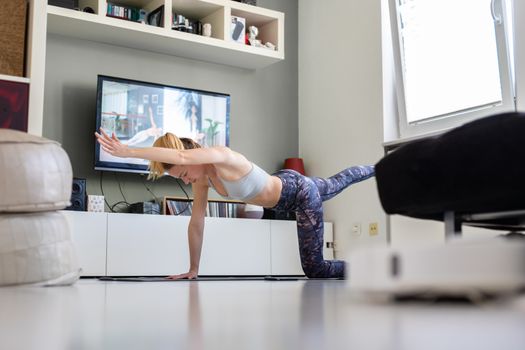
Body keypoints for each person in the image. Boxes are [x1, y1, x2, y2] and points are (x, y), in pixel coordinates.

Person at [95, 129, 375, 279]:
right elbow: (196, 223)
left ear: (189, 156)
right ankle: (378, 167)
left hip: (298, 193)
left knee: (315, 269)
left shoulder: (222, 156)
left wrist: (128, 151)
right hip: (287, 186)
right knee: (338, 181)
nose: (185, 178)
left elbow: (180, 159)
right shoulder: (202, 180)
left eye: (182, 174)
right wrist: (194, 269)